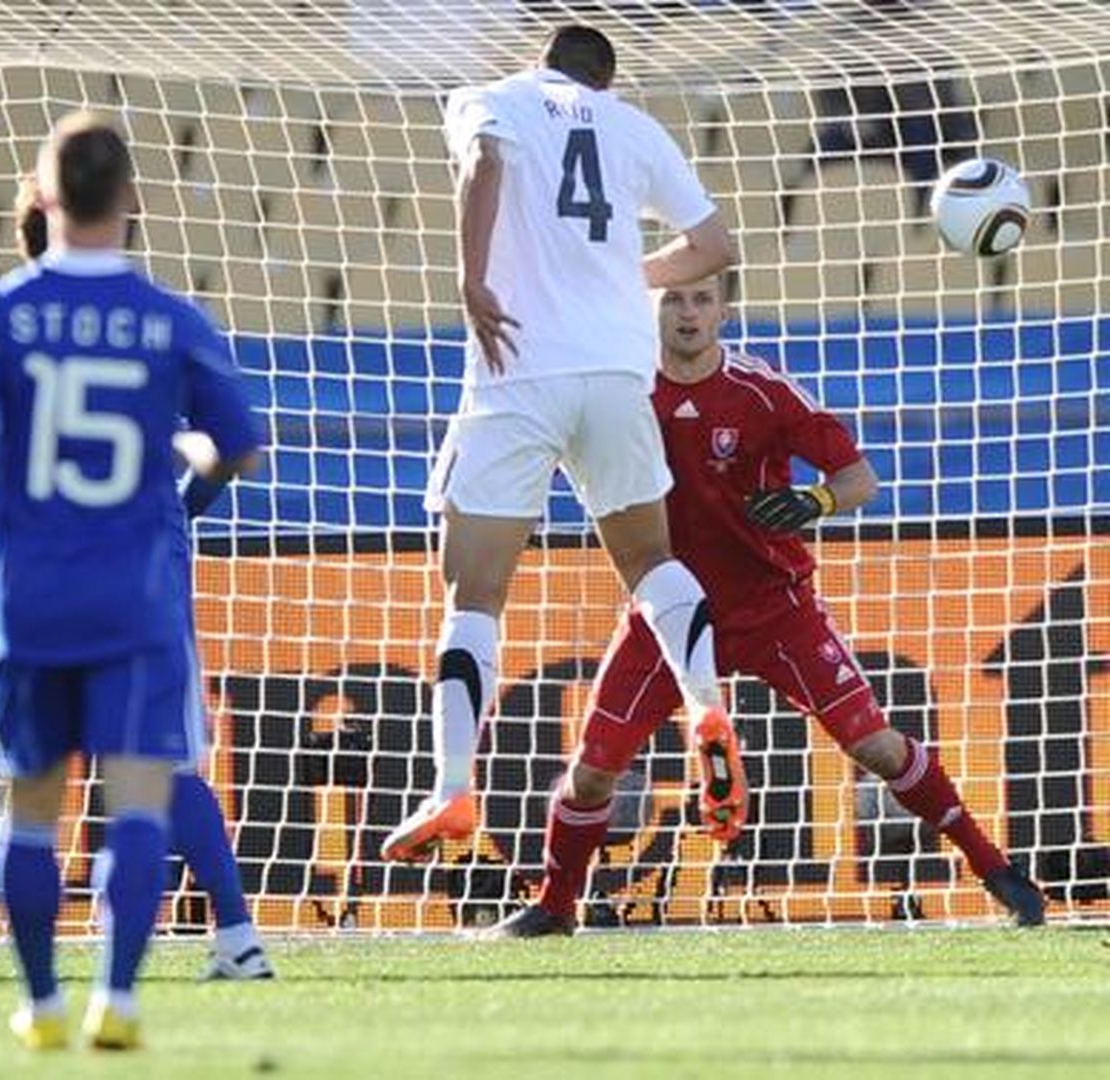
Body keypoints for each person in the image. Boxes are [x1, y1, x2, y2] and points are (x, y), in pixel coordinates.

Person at [492, 273, 1047, 936]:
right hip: (663, 616)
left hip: (771, 607)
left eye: (702, 299)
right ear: (648, 309)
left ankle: (997, 872)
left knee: (876, 746)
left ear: (725, 310)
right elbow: (560, 458)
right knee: (591, 774)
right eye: (673, 300)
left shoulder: (763, 390)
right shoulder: (620, 390)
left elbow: (859, 479)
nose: (688, 313)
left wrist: (814, 501)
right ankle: (556, 908)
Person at [0, 113, 260, 1052]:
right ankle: (119, 998)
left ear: (44, 197)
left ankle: (43, 1003)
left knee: (33, 810)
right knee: (138, 796)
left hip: (32, 601)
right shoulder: (171, 320)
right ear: (130, 200)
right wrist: (189, 474)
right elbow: (242, 442)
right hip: (134, 598)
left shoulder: (2, 313)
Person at [382, 23, 744, 863]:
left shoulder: (491, 99)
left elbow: (485, 166)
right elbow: (715, 249)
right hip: (618, 372)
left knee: (473, 592)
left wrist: (473, 277)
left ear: (541, 59)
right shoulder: (634, 128)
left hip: (518, 369)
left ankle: (452, 789)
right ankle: (704, 703)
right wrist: (623, 277)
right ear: (606, 82)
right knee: (651, 559)